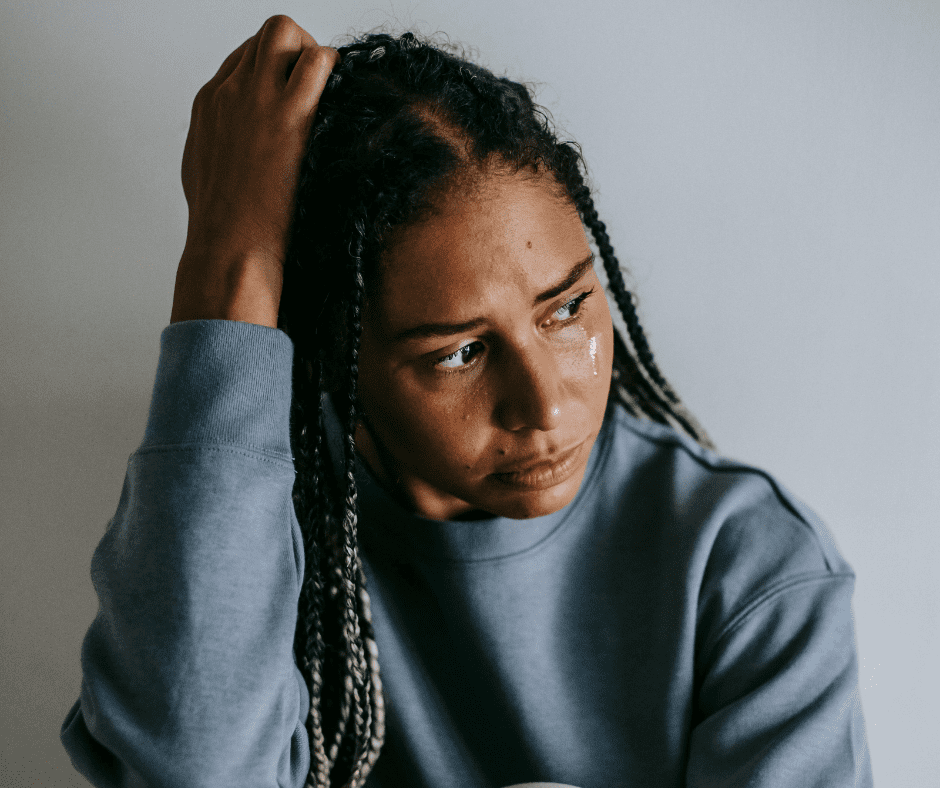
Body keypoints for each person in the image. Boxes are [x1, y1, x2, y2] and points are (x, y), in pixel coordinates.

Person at [60, 14, 873, 788]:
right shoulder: (257, 533)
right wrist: (229, 262)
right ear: (339, 356)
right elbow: (190, 769)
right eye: (459, 352)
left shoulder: (747, 569)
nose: (546, 405)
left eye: (566, 309)